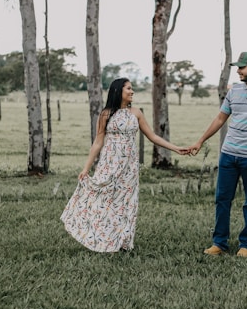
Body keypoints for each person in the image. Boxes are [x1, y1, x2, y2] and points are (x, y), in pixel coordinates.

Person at [61, 78, 187, 252]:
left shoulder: (136, 113)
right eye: (128, 88)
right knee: (104, 198)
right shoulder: (106, 114)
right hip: (109, 163)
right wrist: (86, 168)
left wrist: (176, 149)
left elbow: (153, 137)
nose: (132, 91)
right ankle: (99, 237)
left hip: (129, 167)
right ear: (118, 91)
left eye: (132, 88)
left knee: (127, 202)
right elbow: (98, 142)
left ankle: (123, 242)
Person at [188, 52, 247, 257]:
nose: (238, 71)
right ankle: (219, 243)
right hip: (228, 154)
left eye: (242, 67)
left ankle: (246, 245)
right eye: (238, 67)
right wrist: (200, 140)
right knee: (222, 199)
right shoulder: (234, 91)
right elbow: (221, 119)